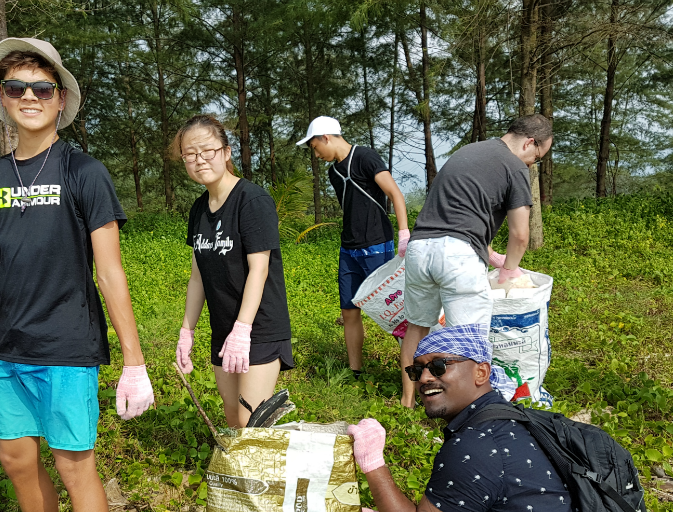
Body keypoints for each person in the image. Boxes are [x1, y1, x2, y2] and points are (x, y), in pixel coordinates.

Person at [0, 38, 155, 512]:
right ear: (2, 98)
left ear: (61, 99)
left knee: (74, 465)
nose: (29, 97)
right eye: (17, 87)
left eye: (42, 89)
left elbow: (110, 272)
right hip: (7, 347)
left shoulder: (85, 172)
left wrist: (134, 363)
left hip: (68, 347)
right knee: (15, 460)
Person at [400, 114, 552, 408]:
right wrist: (509, 269)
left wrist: (487, 252)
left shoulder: (469, 152)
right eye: (538, 156)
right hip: (456, 257)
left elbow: (461, 206)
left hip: (420, 249)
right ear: (530, 143)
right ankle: (463, 408)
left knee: (417, 327)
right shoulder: (515, 166)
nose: (533, 163)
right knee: (468, 340)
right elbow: (520, 234)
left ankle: (408, 401)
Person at [347, 324, 567, 512]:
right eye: (416, 370)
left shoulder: (476, 445)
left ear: (480, 373)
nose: (424, 378)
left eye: (439, 366)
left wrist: (373, 463)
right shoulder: (507, 419)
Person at [174, 114, 294, 428]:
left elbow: (259, 269)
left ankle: (276, 475)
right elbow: (197, 276)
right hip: (222, 326)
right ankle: (248, 478)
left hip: (259, 327)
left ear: (226, 152)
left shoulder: (251, 200)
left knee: (250, 422)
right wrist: (187, 332)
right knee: (232, 417)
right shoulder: (199, 209)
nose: (199, 160)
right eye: (190, 154)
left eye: (207, 151)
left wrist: (242, 330)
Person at [297, 116, 410, 378]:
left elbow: (394, 193)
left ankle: (415, 369)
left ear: (326, 137)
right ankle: (355, 372)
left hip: (377, 246)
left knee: (394, 314)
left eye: (315, 147)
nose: (316, 153)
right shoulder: (333, 172)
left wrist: (404, 233)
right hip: (348, 250)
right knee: (349, 311)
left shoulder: (366, 157)